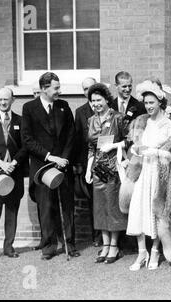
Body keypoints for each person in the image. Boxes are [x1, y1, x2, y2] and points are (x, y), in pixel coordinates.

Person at [21, 72, 79, 260]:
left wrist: (63, 159)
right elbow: (27, 140)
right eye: (55, 88)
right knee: (46, 207)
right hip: (42, 166)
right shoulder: (29, 108)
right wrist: (50, 157)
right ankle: (49, 246)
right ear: (44, 89)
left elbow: (72, 135)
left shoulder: (64, 106)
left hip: (63, 165)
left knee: (67, 206)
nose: (59, 91)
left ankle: (69, 243)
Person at [126, 80, 171, 271]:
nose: (149, 106)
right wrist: (136, 149)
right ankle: (142, 252)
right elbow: (133, 147)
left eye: (152, 102)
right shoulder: (141, 122)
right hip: (143, 172)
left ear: (160, 103)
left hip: (160, 173)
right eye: (146, 103)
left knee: (157, 212)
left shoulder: (169, 125)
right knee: (139, 209)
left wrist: (156, 153)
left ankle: (156, 250)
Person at [85, 83, 127, 264]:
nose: (96, 104)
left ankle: (115, 246)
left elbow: (130, 140)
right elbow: (91, 148)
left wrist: (115, 145)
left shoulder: (118, 117)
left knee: (112, 206)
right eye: (93, 101)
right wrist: (88, 170)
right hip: (98, 170)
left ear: (106, 99)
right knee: (100, 207)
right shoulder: (91, 120)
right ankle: (105, 243)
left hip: (113, 168)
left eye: (99, 100)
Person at [0, 88, 28, 258]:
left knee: (12, 212)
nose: (3, 103)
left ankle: (8, 247)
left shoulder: (21, 120)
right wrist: (0, 163)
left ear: (13, 99)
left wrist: (13, 163)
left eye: (6, 99)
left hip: (14, 173)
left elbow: (26, 146)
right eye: (0, 100)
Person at [74, 77, 102, 247]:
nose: (88, 91)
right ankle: (96, 236)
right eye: (85, 89)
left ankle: (113, 238)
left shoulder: (107, 107)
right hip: (89, 164)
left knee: (107, 200)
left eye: (91, 87)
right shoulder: (80, 111)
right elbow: (77, 140)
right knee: (93, 201)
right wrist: (79, 164)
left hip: (108, 162)